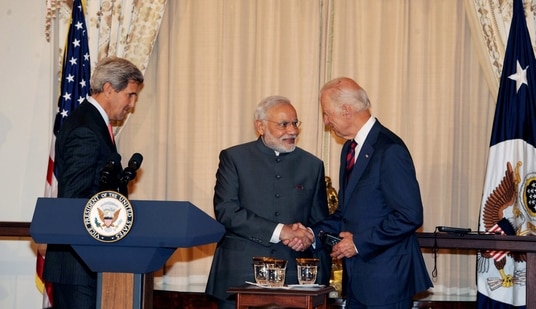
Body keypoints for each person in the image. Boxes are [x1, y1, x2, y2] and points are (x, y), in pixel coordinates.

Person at [312, 77, 433, 308]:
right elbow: (346, 214)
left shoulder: (389, 149)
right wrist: (311, 232)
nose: (326, 122)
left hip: (387, 281)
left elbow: (410, 215)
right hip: (357, 279)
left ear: (346, 110)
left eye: (327, 114)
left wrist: (358, 243)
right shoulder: (350, 148)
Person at [205, 95, 331, 309]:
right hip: (240, 273)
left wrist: (308, 235)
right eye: (283, 124)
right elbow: (227, 211)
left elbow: (320, 221)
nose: (292, 131)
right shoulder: (234, 158)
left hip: (294, 276)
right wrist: (282, 231)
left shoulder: (312, 165)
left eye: (294, 123)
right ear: (260, 126)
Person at [43, 56, 144, 309]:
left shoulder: (92, 122)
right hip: (79, 263)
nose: (132, 105)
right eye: (130, 95)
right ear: (109, 89)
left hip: (86, 260)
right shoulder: (86, 128)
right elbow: (76, 198)